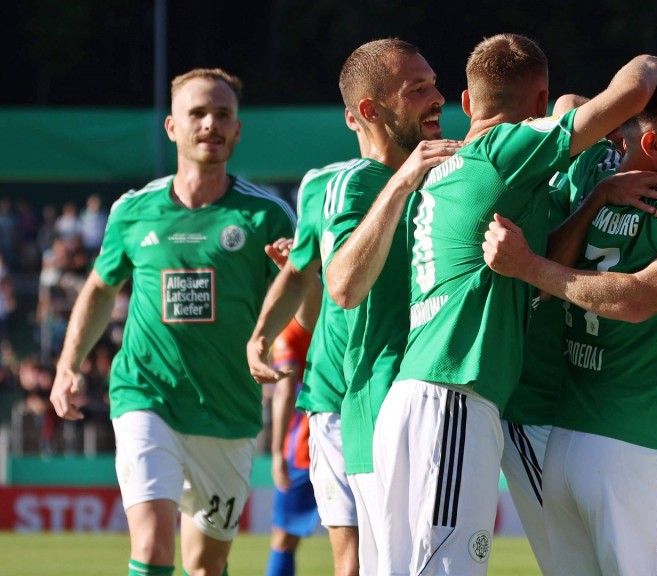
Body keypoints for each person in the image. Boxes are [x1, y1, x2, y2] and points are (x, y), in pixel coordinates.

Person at [369, 33, 657, 575]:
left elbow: (534, 273)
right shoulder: (505, 150)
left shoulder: (447, 170)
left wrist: (598, 195)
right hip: (457, 399)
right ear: (536, 106)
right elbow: (627, 94)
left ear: (467, 103)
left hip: (413, 397)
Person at [49, 68, 296, 576]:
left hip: (228, 410)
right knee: (154, 545)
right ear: (171, 127)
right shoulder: (133, 211)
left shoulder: (267, 215)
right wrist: (68, 363)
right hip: (146, 394)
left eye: (223, 114)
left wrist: (289, 277)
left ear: (238, 129)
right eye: (198, 113)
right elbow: (99, 287)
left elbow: (300, 297)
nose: (211, 124)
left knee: (205, 566)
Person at [483, 68, 657, 575]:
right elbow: (639, 299)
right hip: (635, 444)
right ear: (653, 142)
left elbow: (571, 99)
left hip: (571, 443)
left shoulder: (595, 174)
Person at [248, 38, 457, 576]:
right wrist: (260, 336)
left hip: (420, 394)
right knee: (358, 560)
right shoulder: (333, 185)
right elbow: (307, 273)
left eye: (434, 83)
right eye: (419, 89)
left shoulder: (450, 174)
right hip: (343, 398)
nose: (439, 97)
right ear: (369, 111)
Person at [265, 319, 319, 576]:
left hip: (304, 450)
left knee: (283, 538)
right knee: (357, 537)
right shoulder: (347, 311)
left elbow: (285, 392)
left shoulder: (289, 332)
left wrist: (276, 453)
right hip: (350, 438)